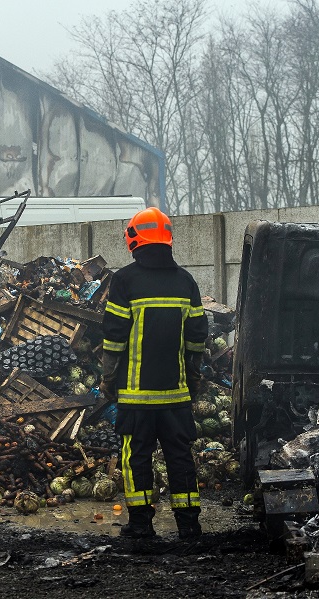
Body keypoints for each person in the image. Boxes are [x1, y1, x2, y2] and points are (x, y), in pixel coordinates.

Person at [100, 206, 208, 540]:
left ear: (134, 239)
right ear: (167, 239)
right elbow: (197, 336)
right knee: (180, 457)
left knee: (136, 458)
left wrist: (107, 378)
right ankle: (189, 527)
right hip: (175, 395)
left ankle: (141, 526)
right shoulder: (185, 281)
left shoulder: (125, 280)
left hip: (136, 397)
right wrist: (192, 375)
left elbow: (114, 337)